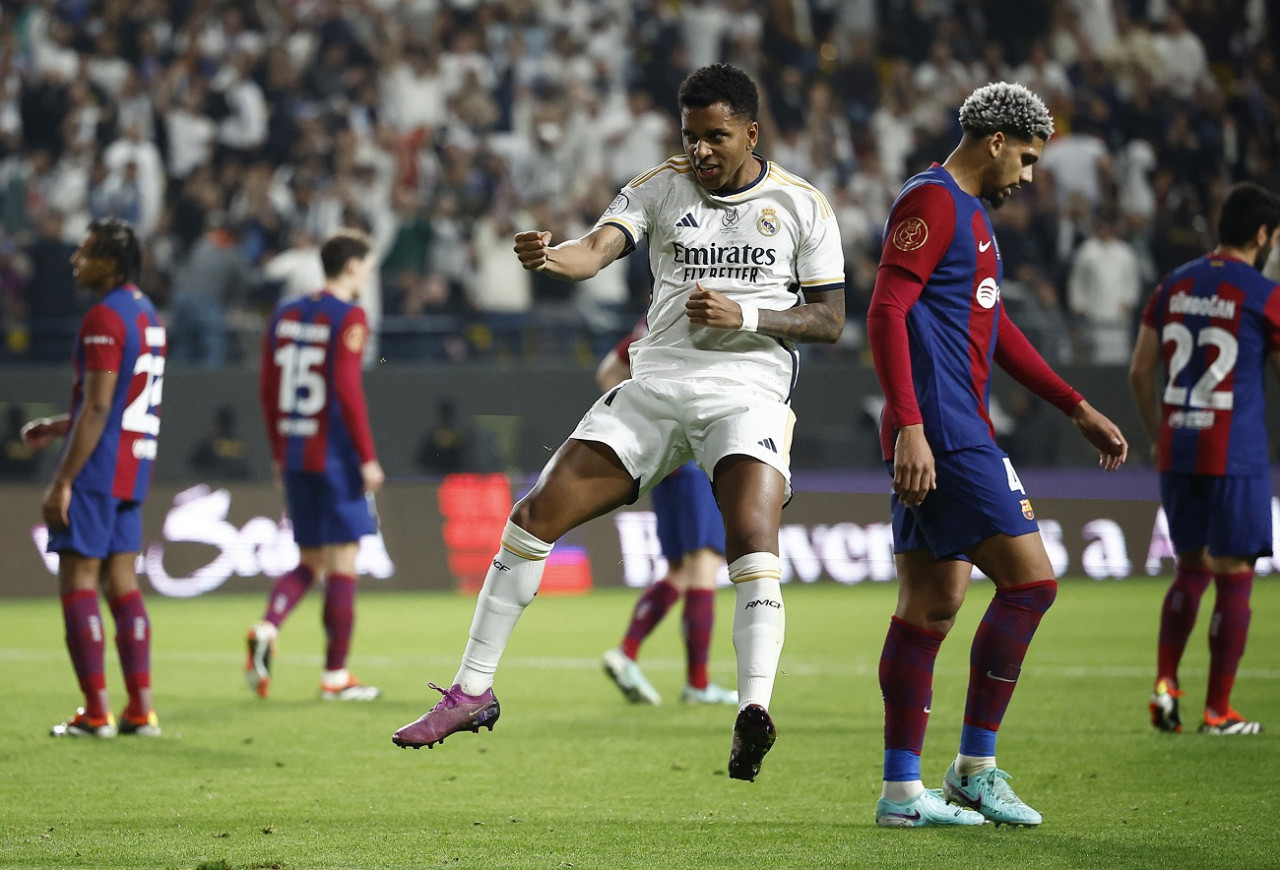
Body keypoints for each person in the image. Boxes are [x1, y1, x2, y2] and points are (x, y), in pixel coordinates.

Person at [392, 64, 846, 785]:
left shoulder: (801, 206)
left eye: (716, 137)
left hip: (748, 391)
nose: (699, 151)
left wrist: (748, 315)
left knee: (752, 541)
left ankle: (752, 710)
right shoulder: (659, 186)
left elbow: (829, 319)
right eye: (691, 135)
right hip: (657, 386)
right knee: (533, 516)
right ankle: (472, 692)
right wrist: (554, 259)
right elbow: (597, 248)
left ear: (751, 133)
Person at [866, 83, 1128, 827]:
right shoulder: (933, 202)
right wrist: (912, 427)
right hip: (945, 431)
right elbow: (885, 310)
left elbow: (994, 326)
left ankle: (901, 795)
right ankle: (974, 768)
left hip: (945, 425)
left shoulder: (973, 217)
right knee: (1032, 584)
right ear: (994, 142)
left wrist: (1073, 405)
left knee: (931, 603)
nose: (1030, 175)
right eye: (1028, 157)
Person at [1128, 181, 1280, 737]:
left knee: (1190, 570)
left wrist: (1156, 434)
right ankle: (1218, 711)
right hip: (1233, 451)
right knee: (1235, 575)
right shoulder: (1264, 294)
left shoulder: (1174, 283)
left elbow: (1140, 370)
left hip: (1178, 446)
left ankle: (1165, 685)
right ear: (1263, 235)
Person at [21, 217, 166, 738]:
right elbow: (119, 400)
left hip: (98, 469)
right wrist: (61, 423)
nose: (75, 261)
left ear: (109, 261)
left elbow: (101, 405)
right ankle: (140, 710)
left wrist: (62, 480)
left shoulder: (103, 316)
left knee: (79, 582)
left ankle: (97, 712)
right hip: (133, 466)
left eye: (85, 253)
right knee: (123, 584)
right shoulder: (146, 312)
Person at [245, 228, 386, 702]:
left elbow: (266, 386)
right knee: (343, 562)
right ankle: (335, 677)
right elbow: (347, 390)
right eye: (367, 264)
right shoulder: (349, 316)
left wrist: (276, 450)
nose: (369, 273)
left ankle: (268, 627)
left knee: (309, 560)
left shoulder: (286, 311)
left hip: (294, 450)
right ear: (351, 266)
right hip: (335, 456)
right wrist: (367, 457)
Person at [597, 319, 737, 707]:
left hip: (663, 464)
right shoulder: (704, 316)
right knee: (703, 564)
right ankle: (698, 683)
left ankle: (626, 652)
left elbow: (607, 372)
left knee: (680, 571)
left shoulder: (650, 323)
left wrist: (645, 428)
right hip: (695, 456)